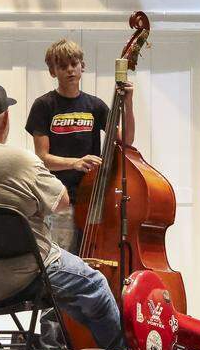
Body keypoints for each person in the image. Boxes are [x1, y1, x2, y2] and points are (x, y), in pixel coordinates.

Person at [0, 82, 126, 350]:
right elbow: (62, 203)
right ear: (5, 118)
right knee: (95, 286)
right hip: (24, 277)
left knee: (74, 298)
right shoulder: (19, 160)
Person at [25, 39, 135, 253]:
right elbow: (43, 158)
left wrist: (128, 102)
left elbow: (127, 140)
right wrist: (75, 163)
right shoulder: (44, 105)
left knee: (95, 256)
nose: (69, 70)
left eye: (74, 64)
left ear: (82, 66)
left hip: (94, 196)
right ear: (52, 71)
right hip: (60, 199)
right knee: (62, 257)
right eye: (62, 66)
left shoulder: (95, 105)